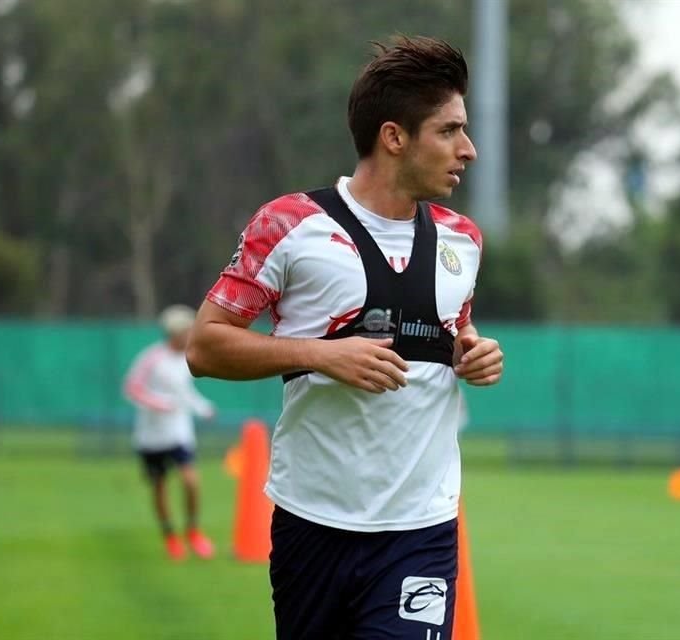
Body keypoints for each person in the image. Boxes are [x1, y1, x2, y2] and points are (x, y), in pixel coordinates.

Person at [187, 36, 503, 639]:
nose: (469, 150)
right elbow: (204, 347)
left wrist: (473, 351)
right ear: (394, 137)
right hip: (313, 523)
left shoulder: (463, 239)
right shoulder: (291, 226)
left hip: (422, 531)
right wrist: (320, 355)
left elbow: (454, 328)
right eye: (450, 131)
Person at [123, 304, 217, 561]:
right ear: (174, 333)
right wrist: (159, 404)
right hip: (151, 436)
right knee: (160, 486)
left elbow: (185, 394)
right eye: (186, 330)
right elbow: (132, 388)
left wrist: (203, 408)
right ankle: (170, 536)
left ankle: (194, 531)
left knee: (190, 481)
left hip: (178, 433)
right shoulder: (152, 358)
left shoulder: (188, 358)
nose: (189, 334)